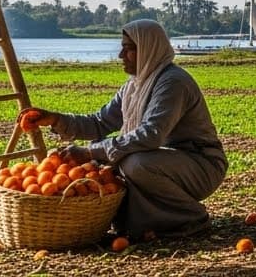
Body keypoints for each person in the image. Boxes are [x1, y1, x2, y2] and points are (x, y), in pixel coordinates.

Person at [19, 19, 227, 240]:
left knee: (134, 164)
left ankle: (191, 218)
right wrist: (55, 119)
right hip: (168, 162)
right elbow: (100, 122)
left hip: (201, 165)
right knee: (106, 162)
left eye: (128, 49)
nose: (121, 55)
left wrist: (91, 152)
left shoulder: (172, 83)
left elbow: (150, 135)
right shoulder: (133, 86)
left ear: (148, 49)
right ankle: (149, 222)